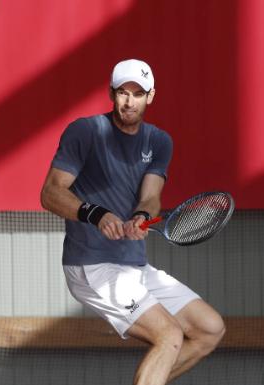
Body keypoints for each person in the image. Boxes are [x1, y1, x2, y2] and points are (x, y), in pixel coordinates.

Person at [40, 59, 225, 385]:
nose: (129, 101)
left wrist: (140, 216)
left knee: (209, 329)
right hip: (92, 265)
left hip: (134, 267)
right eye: (123, 92)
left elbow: (151, 197)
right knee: (168, 336)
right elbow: (51, 193)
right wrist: (96, 214)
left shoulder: (159, 142)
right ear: (112, 93)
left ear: (151, 96)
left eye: (138, 93)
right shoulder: (86, 131)